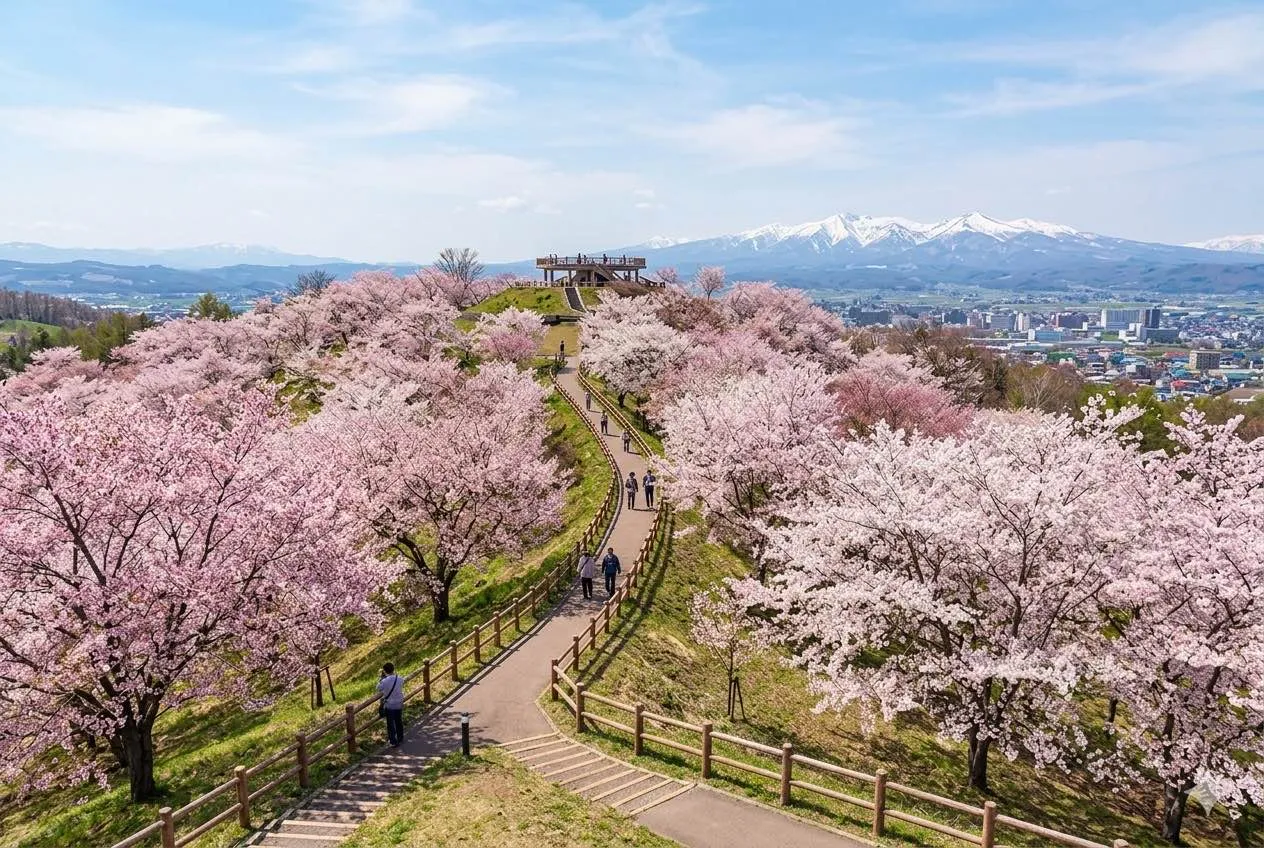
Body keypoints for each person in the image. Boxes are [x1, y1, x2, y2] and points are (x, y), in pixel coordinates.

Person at [377, 663, 405, 747]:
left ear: (385, 671)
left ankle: (393, 741)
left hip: (389, 704)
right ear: (393, 669)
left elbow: (378, 688)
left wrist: (381, 679)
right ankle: (400, 737)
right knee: (398, 721)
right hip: (399, 702)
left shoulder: (384, 681)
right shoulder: (399, 678)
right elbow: (401, 683)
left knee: (390, 723)